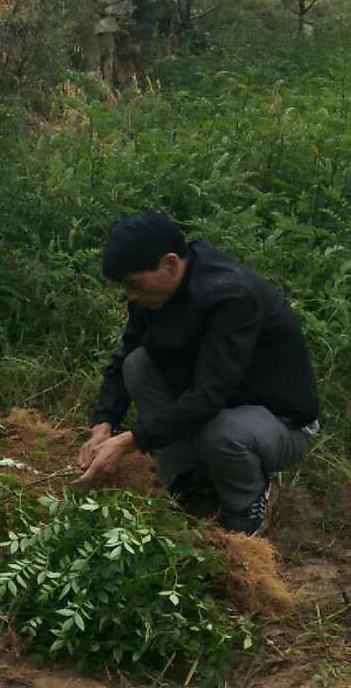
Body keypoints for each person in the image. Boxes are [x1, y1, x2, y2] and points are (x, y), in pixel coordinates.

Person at [77, 211, 320, 534]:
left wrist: (130, 441)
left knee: (220, 432)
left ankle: (247, 504)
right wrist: (103, 423)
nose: (130, 296)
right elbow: (124, 360)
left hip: (281, 424)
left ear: (171, 264)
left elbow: (209, 396)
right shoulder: (152, 296)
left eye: (133, 284)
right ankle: (187, 480)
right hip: (221, 406)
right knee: (138, 364)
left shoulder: (231, 296)